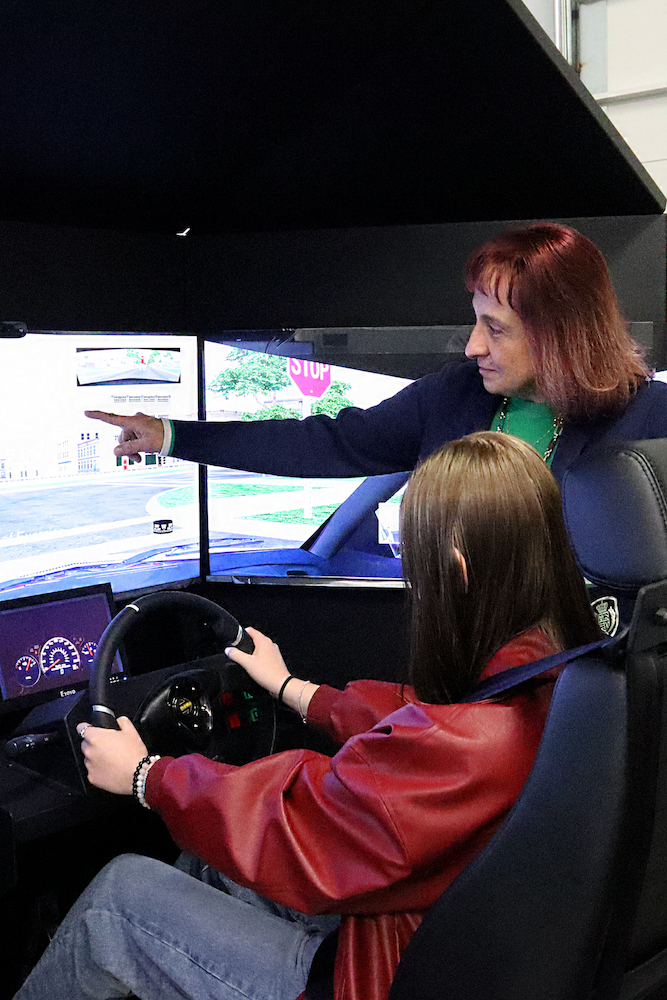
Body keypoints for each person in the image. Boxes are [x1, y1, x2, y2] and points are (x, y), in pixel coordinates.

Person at [15, 432, 602, 1000]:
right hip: (438, 935)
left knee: (115, 901)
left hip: (376, 975)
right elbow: (419, 721)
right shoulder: (559, 672)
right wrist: (294, 689)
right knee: (209, 862)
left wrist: (146, 776)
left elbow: (299, 824)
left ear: (456, 568)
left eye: (410, 558)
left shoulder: (474, 742)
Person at [85, 222, 667, 486]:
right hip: (468, 685)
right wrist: (173, 435)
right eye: (475, 322)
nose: (473, 347)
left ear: (561, 331)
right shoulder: (455, 395)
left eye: (497, 328)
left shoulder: (651, 422)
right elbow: (329, 443)